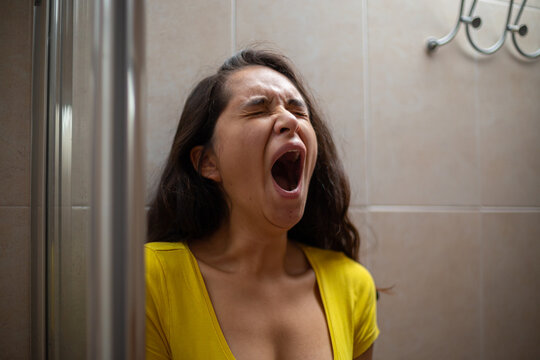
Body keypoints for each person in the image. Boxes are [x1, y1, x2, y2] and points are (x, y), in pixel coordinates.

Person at [146, 48, 379, 360]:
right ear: (208, 162)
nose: (289, 120)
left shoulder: (352, 284)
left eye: (299, 112)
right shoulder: (149, 278)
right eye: (258, 110)